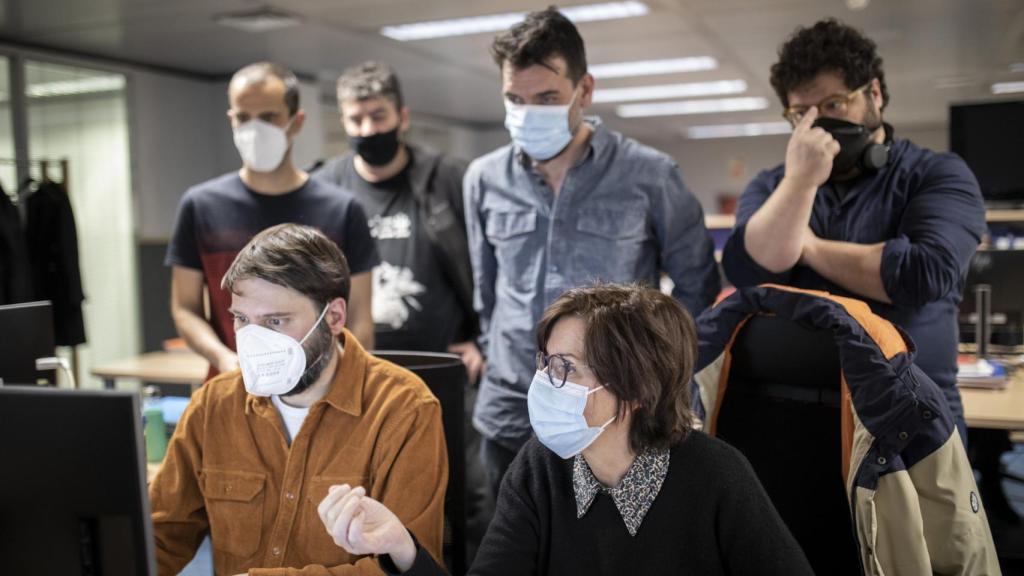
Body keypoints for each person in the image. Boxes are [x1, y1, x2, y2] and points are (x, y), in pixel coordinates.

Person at [317, 284, 813, 575]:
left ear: (636, 389)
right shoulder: (541, 467)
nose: (545, 382)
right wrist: (401, 547)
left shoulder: (715, 475)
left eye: (567, 368)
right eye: (546, 363)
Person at [465, 7, 721, 498]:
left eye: (546, 98)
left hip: (614, 412)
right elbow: (487, 291)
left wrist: (655, 379)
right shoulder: (483, 178)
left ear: (584, 91)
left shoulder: (649, 175)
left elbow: (697, 288)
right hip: (510, 406)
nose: (526, 113)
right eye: (513, 99)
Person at [720, 18, 986, 443]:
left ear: (874, 94)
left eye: (834, 105)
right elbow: (749, 271)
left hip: (907, 415)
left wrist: (805, 247)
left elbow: (923, 273)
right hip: (788, 417)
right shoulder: (775, 185)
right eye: (801, 113)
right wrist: (800, 183)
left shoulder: (938, 174)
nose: (817, 122)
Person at [150, 223, 447, 575]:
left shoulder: (404, 409)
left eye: (276, 321)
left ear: (334, 317)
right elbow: (161, 538)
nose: (255, 340)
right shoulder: (215, 404)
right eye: (242, 319)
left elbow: (404, 566)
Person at [314, 59, 491, 562]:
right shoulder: (328, 187)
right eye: (356, 120)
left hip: (446, 370)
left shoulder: (448, 180)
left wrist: (484, 338)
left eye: (378, 116)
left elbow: (489, 265)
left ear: (402, 116)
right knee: (376, 495)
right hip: (362, 373)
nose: (368, 129)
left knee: (471, 494)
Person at [166, 62, 378, 378]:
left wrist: (341, 380)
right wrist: (225, 359)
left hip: (322, 389)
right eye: (243, 118)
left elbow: (360, 316)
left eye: (268, 117)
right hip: (235, 385)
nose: (255, 129)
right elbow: (185, 308)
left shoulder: (341, 209)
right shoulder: (201, 206)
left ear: (296, 121)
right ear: (231, 120)